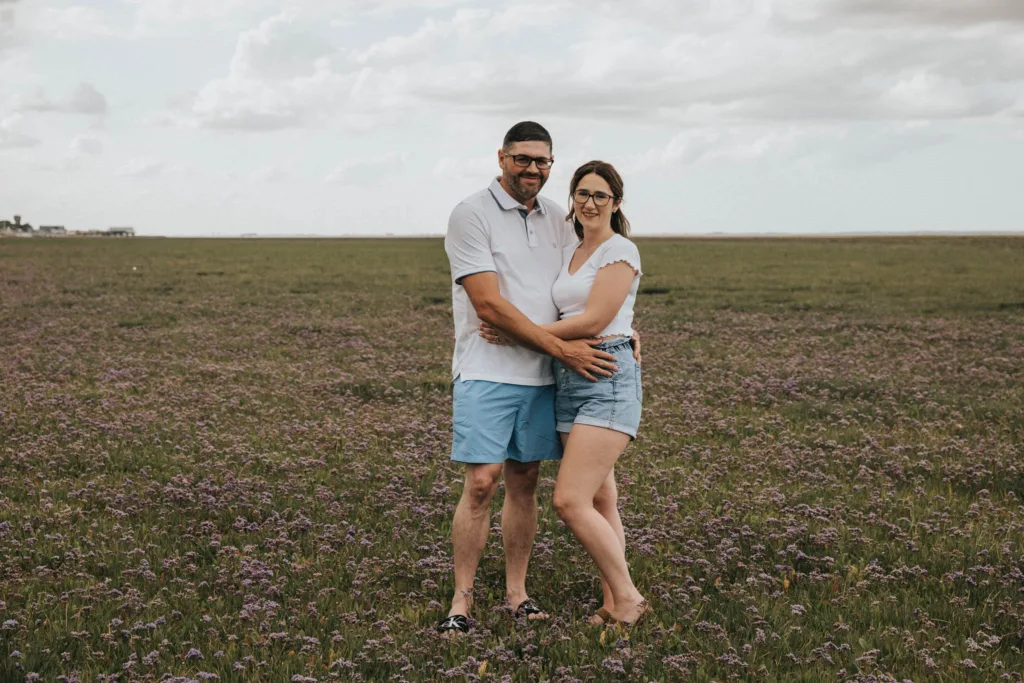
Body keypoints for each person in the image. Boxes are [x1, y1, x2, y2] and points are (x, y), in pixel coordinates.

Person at [437, 122, 624, 634]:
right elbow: (488, 305)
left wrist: (625, 332)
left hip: (546, 375)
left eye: (542, 162)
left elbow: (591, 283)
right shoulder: (471, 214)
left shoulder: (559, 220)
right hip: (486, 369)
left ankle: (517, 594)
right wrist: (563, 346)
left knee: (525, 482)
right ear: (501, 157)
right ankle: (461, 603)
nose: (533, 170)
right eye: (523, 159)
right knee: (480, 483)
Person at [480, 160, 649, 627]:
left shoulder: (620, 250)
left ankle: (630, 598)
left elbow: (596, 321)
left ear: (616, 202)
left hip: (606, 374)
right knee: (600, 500)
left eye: (600, 195)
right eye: (582, 193)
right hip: (569, 375)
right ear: (572, 198)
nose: (589, 203)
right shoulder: (573, 249)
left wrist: (520, 332)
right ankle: (614, 602)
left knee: (569, 500)